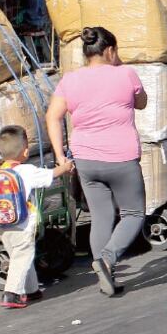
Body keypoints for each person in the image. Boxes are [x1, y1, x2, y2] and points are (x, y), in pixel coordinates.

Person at [46, 27, 147, 297]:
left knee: (101, 216)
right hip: (121, 158)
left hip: (86, 160)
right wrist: (121, 68)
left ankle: (107, 278)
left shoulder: (70, 80)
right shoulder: (125, 74)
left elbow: (52, 116)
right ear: (111, 50)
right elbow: (142, 103)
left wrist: (60, 156)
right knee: (133, 213)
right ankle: (107, 259)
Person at [0, 126, 74, 309]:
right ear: (26, 151)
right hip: (22, 224)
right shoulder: (25, 171)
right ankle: (11, 294)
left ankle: (32, 290)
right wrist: (65, 167)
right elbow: (50, 175)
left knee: (21, 256)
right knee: (23, 256)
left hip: (2, 224)